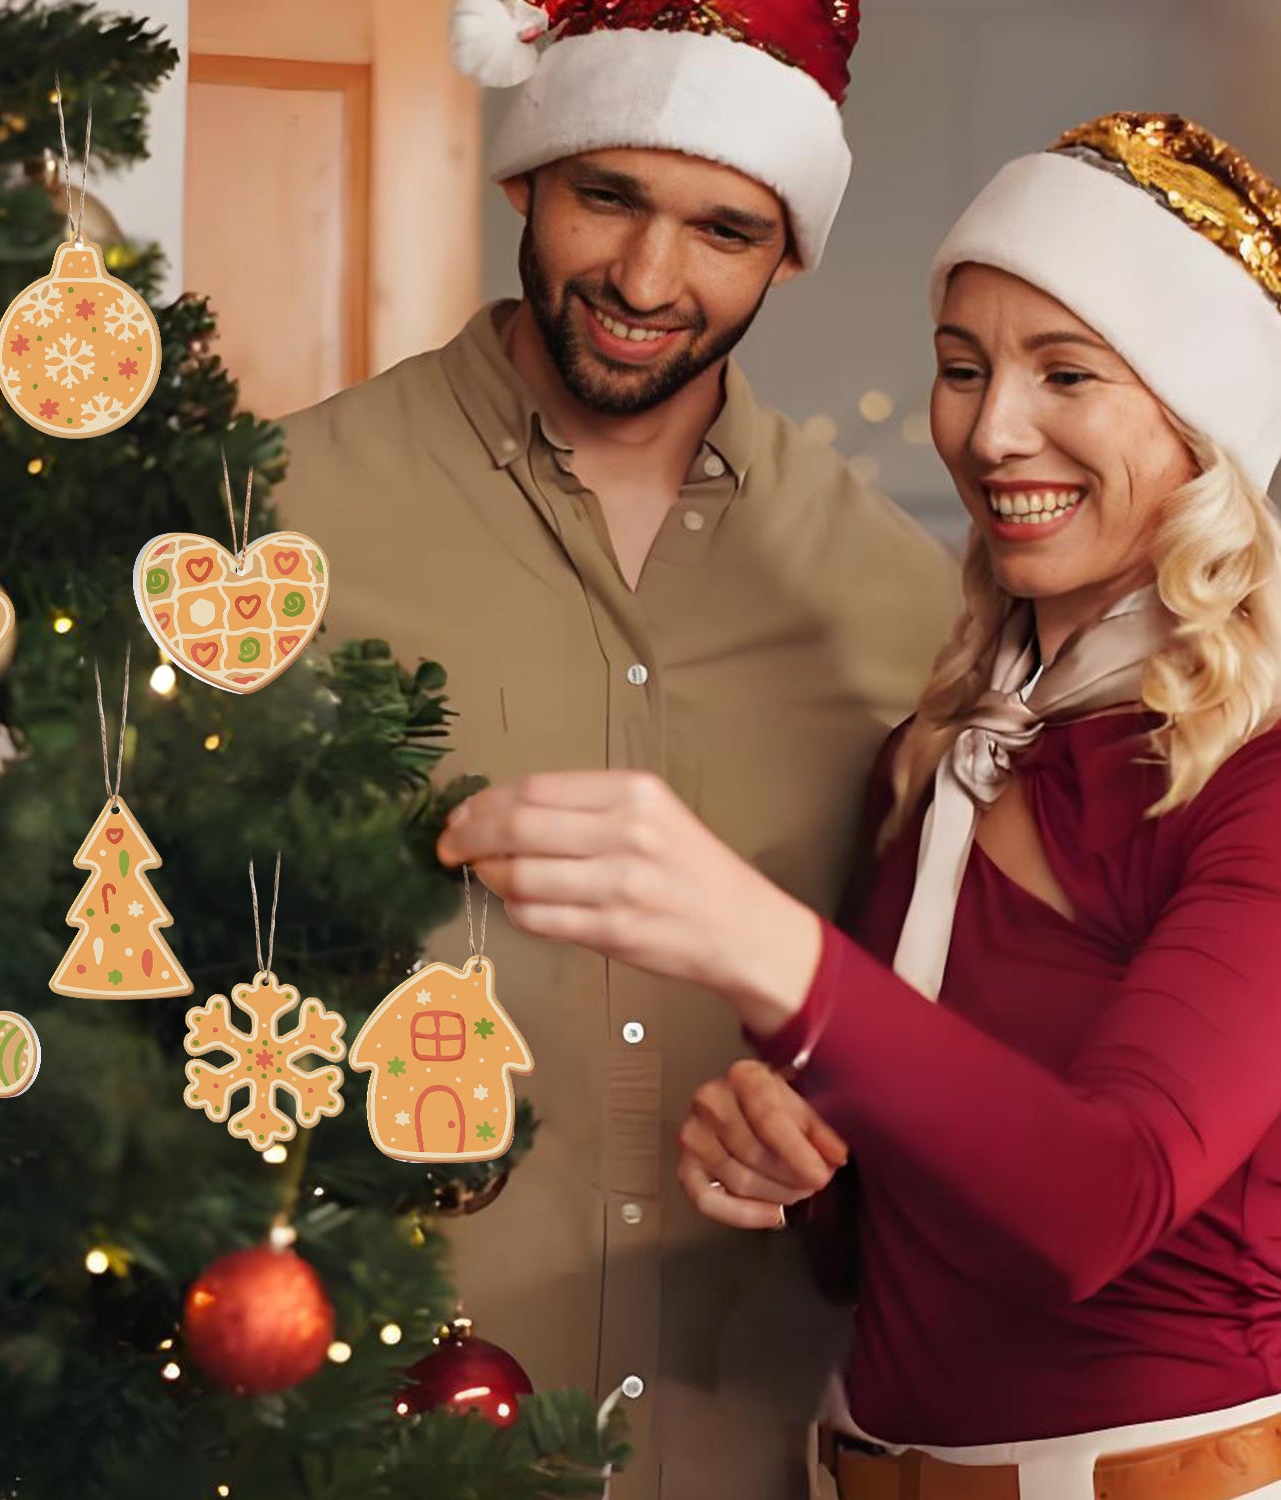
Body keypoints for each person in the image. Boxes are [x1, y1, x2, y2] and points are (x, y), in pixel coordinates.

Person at [437, 110, 1281, 1500]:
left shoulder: (1252, 778)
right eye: (962, 368)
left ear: (1202, 425)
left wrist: (760, 945)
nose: (990, 428)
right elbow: (910, 1230)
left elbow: (1097, 1204)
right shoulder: (944, 755)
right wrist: (800, 1164)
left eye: (1066, 373)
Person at [276, 1, 958, 1493]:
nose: (650, 279)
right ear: (525, 177)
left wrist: (838, 1139)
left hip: (757, 1435)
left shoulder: (904, 607)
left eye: (723, 229)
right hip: (359, 1425)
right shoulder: (277, 521)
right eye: (608, 197)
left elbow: (949, 1029)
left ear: (787, 249)